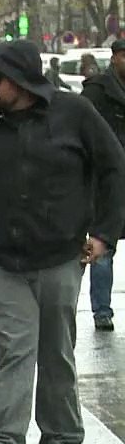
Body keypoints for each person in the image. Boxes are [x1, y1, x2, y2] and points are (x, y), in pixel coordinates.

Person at [0, 39, 125, 444]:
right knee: (14, 349)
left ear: (22, 79)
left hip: (61, 256)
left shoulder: (73, 113)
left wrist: (104, 234)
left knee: (56, 352)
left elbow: (114, 168)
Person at [81, 39, 125, 331]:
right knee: (102, 247)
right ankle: (102, 311)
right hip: (106, 181)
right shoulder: (96, 91)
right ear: (115, 58)